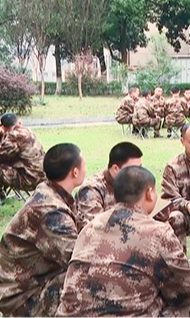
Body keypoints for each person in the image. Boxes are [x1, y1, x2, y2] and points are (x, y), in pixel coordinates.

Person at [57, 166, 190, 317]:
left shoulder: (89, 228)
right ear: (150, 193)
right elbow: (187, 289)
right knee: (188, 308)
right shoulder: (158, 233)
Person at [0, 143, 86, 317]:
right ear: (75, 172)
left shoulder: (52, 192)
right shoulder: (50, 212)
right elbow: (78, 258)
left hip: (33, 280)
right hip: (21, 298)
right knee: (88, 279)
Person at [75, 142, 143, 227]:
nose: (139, 173)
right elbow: (96, 228)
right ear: (115, 169)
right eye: (134, 169)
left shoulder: (132, 183)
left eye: (140, 167)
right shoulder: (91, 190)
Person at [0, 113, 45, 203]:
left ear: (3, 127)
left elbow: (1, 155)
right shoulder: (27, 131)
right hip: (43, 176)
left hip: (29, 180)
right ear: (19, 122)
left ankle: (1, 195)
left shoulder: (13, 136)